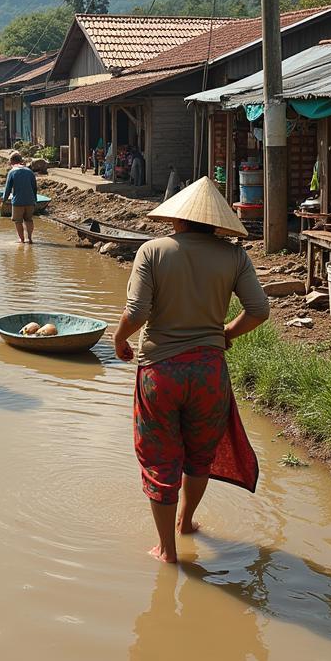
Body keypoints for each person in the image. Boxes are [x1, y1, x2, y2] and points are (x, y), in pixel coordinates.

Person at [111, 176, 270, 565]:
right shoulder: (233, 255)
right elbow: (260, 311)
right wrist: (227, 333)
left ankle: (166, 550)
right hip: (208, 372)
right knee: (199, 455)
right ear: (215, 223)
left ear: (177, 219)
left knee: (160, 458)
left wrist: (119, 339)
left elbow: (138, 312)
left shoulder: (153, 251)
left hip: (160, 373)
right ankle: (186, 521)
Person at [2, 152, 38, 244]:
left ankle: (22, 240)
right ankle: (29, 238)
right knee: (29, 220)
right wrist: (34, 200)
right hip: (30, 201)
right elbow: (34, 187)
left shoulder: (12, 172)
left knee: (18, 221)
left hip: (18, 201)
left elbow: (7, 189)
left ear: (12, 162)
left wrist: (4, 200)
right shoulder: (30, 172)